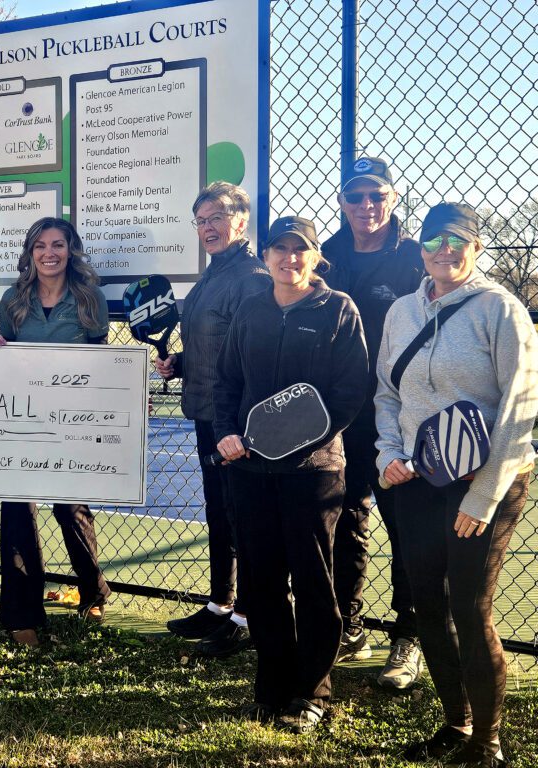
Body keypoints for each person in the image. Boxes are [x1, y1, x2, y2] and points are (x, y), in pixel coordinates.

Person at [375, 203, 537, 768]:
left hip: (485, 484)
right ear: (420, 247)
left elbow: (519, 410)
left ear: (475, 246)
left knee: (470, 610)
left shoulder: (501, 310)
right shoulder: (400, 311)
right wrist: (389, 454)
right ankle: (455, 723)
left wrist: (484, 493)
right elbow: (387, 395)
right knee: (426, 605)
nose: (444, 249)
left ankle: (487, 744)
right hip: (419, 481)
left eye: (457, 239)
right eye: (433, 239)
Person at [214, 216, 368, 731]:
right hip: (251, 470)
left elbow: (350, 392)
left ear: (314, 256)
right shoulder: (251, 309)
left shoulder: (338, 309)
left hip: (313, 472)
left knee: (313, 580)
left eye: (298, 250)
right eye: (279, 250)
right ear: (267, 256)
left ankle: (313, 693)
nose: (288, 258)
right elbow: (226, 382)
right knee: (262, 580)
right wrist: (227, 432)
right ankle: (273, 685)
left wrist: (298, 441)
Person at [321, 156, 426, 686]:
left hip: (399, 414)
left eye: (376, 196)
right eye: (355, 197)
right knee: (345, 519)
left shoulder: (414, 258)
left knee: (405, 522)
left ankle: (409, 636)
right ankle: (350, 626)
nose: (366, 206)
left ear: (392, 199)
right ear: (342, 202)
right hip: (340, 412)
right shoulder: (327, 256)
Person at [0, 217, 112, 647]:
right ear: (30, 252)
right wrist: (0, 351)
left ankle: (93, 591)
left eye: (57, 244)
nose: (49, 253)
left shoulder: (89, 298)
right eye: (40, 245)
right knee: (18, 509)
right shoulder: (13, 300)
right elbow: (6, 358)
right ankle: (22, 612)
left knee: (70, 508)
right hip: (23, 418)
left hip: (71, 420)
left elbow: (102, 359)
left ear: (70, 250)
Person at [156, 182, 270, 656]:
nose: (208, 227)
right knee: (219, 515)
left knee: (244, 519)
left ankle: (248, 616)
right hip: (207, 413)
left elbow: (251, 355)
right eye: (200, 220)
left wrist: (236, 427)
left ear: (241, 220)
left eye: (217, 217)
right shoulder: (213, 274)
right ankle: (220, 604)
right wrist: (180, 363)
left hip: (236, 423)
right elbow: (212, 344)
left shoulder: (252, 276)